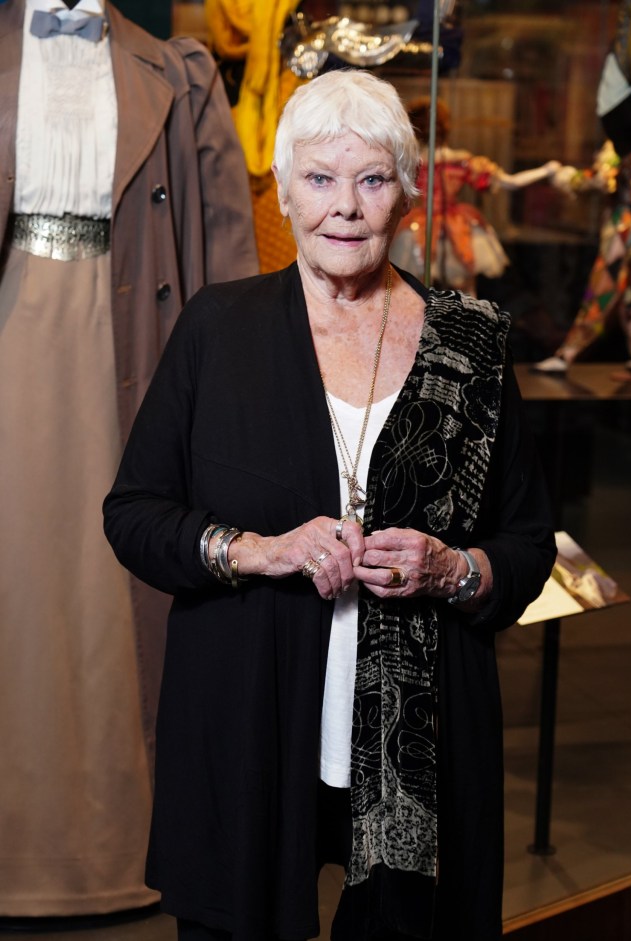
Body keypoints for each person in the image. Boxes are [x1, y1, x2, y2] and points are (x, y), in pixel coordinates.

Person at [104, 69, 556, 941]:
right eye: (319, 177)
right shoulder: (216, 328)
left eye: (372, 179)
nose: (345, 206)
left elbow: (529, 544)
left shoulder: (472, 340)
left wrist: (452, 568)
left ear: (408, 196)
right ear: (283, 190)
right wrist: (259, 549)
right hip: (248, 720)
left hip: (419, 743)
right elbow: (134, 513)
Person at [0, 0, 257, 918]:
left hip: (133, 348)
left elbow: (227, 249)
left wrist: (235, 395)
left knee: (116, 595)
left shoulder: (179, 73)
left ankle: (121, 846)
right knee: (17, 587)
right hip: (14, 344)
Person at [390, 96, 561, 295]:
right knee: (465, 289)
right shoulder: (459, 161)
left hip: (420, 226)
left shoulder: (411, 164)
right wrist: (546, 170)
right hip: (456, 224)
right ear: (446, 127)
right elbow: (511, 182)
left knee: (417, 288)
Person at [533, 140, 631, 375]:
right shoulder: (627, 142)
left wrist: (567, 178)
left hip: (626, 225)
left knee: (605, 290)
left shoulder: (626, 144)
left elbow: (602, 177)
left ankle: (567, 354)